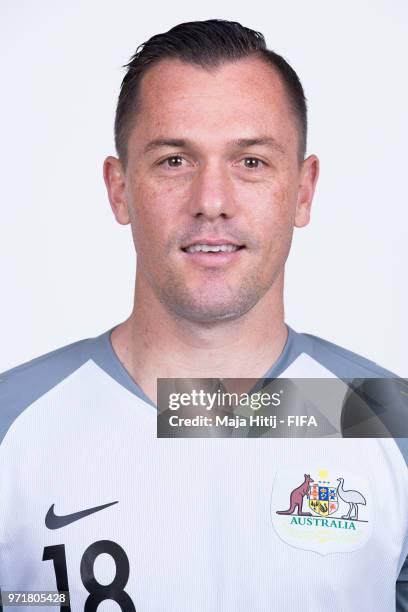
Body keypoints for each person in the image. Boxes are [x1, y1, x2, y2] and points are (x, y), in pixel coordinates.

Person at [0, 18, 407, 611]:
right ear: (119, 189)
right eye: (173, 161)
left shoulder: (385, 420)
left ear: (303, 190)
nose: (211, 202)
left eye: (250, 162)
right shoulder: (12, 425)